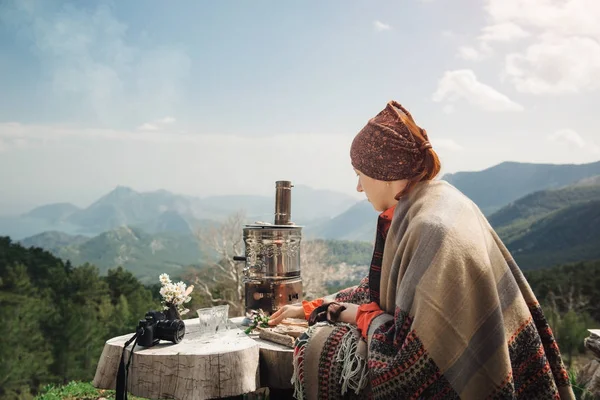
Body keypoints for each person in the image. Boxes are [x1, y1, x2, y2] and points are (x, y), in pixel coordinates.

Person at [268, 100, 575, 400]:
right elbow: (383, 293)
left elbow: (413, 367)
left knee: (324, 347)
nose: (359, 187)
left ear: (382, 173)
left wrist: (354, 315)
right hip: (508, 367)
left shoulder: (430, 227)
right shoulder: (432, 201)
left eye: (360, 174)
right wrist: (312, 307)